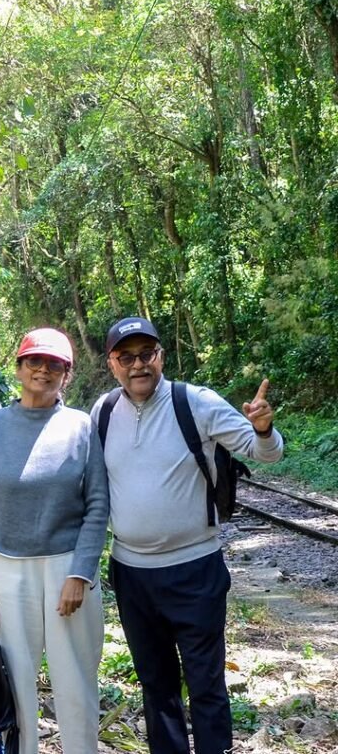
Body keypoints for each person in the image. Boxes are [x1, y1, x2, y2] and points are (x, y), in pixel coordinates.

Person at [96, 316, 283, 754]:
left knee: (205, 684)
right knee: (156, 686)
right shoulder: (103, 412)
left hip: (195, 569)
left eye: (147, 354)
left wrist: (262, 427)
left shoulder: (194, 402)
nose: (138, 365)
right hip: (131, 573)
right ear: (112, 364)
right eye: (127, 357)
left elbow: (264, 452)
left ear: (161, 356)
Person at [0, 328, 108, 754]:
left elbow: (97, 505)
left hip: (67, 567)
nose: (43, 370)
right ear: (19, 367)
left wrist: (81, 572)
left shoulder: (81, 427)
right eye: (34, 361)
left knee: (76, 678)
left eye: (54, 364)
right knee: (15, 679)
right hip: (5, 568)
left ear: (67, 373)